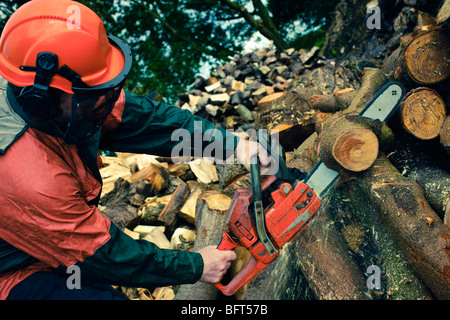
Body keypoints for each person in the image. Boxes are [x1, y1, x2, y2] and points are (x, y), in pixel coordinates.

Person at [0, 0, 272, 300]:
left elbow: (148, 122)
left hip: (49, 244)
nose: (105, 101)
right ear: (41, 100)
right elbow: (99, 252)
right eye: (94, 96)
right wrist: (197, 265)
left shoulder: (72, 101)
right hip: (13, 270)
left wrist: (232, 145)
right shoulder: (25, 174)